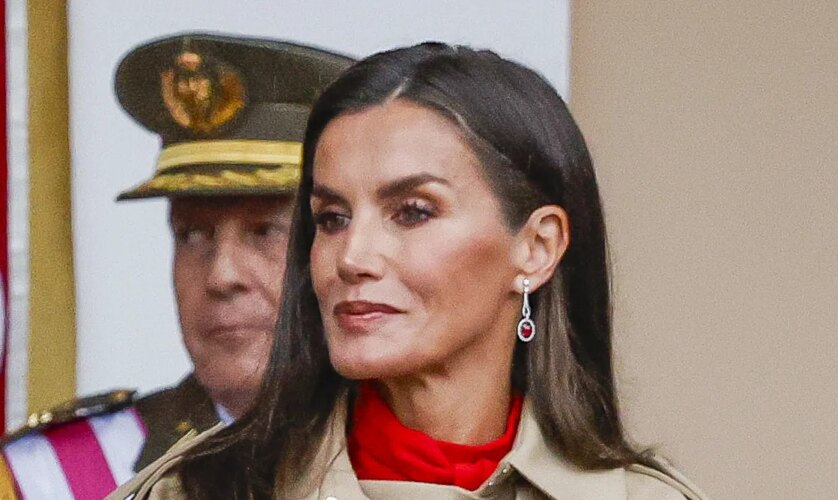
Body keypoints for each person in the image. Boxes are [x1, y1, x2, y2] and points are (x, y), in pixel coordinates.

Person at [110, 42, 708, 500]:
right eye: (332, 217)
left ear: (537, 247)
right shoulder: (193, 491)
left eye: (413, 212)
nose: (352, 257)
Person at [0, 33, 351, 499]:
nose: (222, 275)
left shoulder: (439, 453)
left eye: (265, 231)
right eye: (192, 234)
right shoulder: (49, 478)